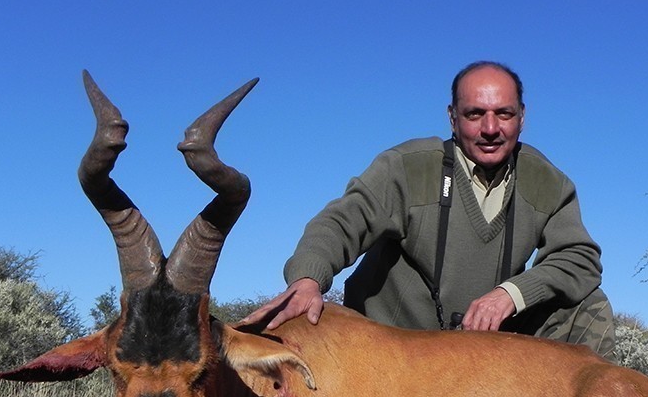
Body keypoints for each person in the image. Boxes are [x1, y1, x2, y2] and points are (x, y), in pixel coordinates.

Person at [243, 61, 615, 359]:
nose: (490, 128)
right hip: (394, 351)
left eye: (503, 114)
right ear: (452, 118)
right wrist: (308, 280)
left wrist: (509, 295)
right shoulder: (407, 167)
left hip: (485, 352)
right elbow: (342, 222)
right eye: (474, 114)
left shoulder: (548, 181)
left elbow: (580, 259)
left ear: (522, 117)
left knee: (588, 306)